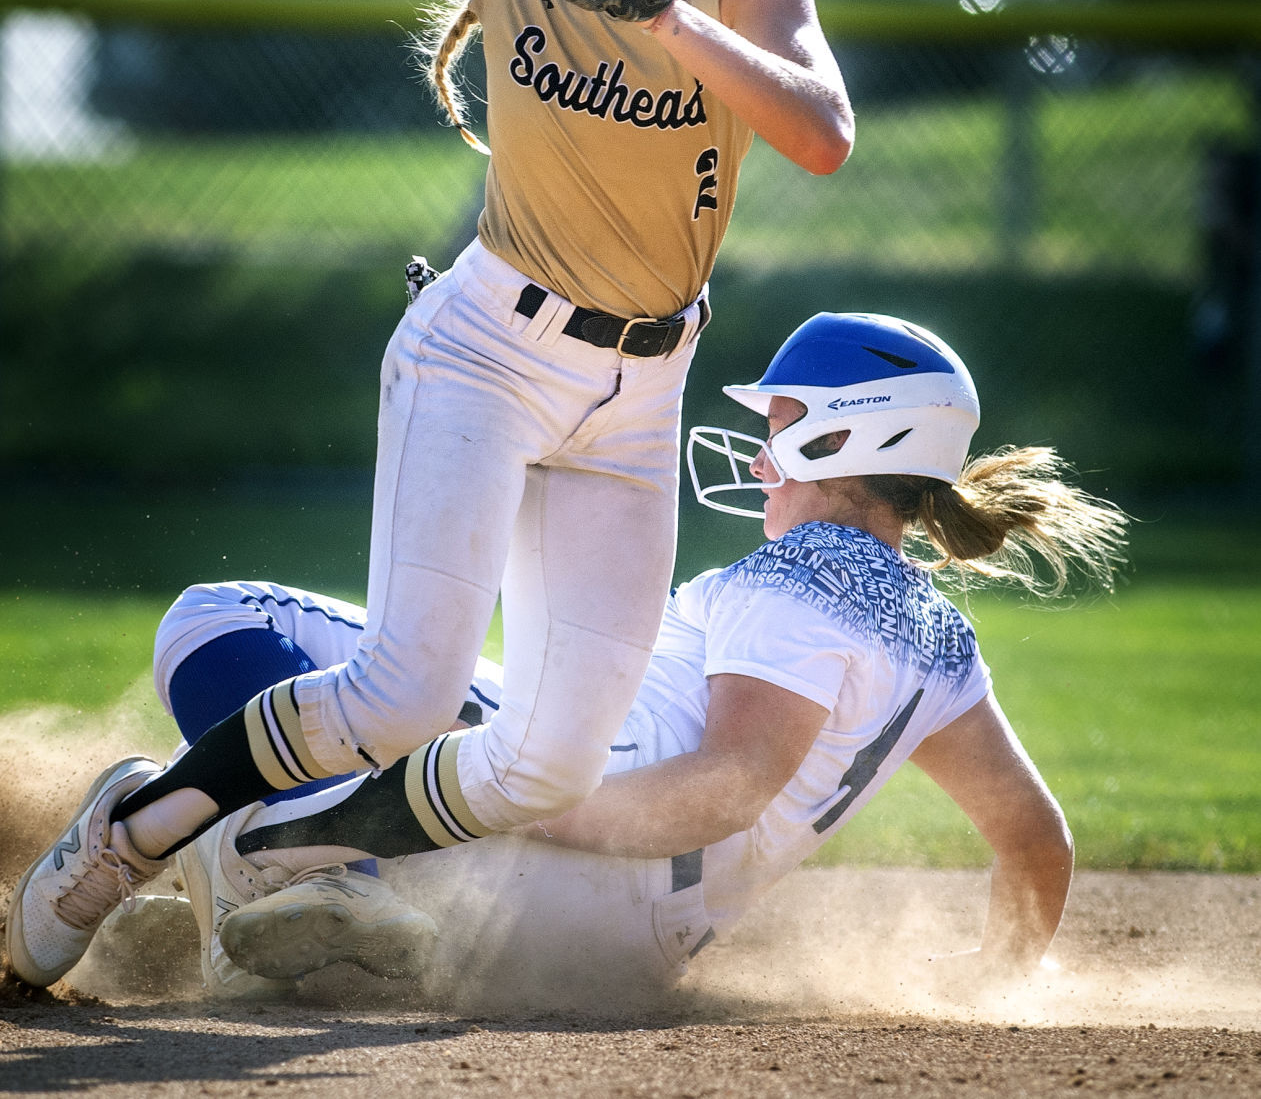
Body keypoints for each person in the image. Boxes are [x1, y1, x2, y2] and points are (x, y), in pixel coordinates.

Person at [2, 0, 854, 992]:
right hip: (486, 354)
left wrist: (662, 11)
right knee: (403, 689)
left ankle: (277, 841)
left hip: (637, 402)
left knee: (549, 758)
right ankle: (136, 829)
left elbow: (822, 132)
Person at [94, 311, 1127, 1001]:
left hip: (552, 857)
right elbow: (1037, 844)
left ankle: (289, 873)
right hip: (608, 960)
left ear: (843, 439)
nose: (762, 453)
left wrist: (502, 792)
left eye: (782, 424)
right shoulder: (941, 636)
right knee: (415, 735)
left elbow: (727, 787)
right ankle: (284, 905)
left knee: (213, 619)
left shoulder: (797, 579)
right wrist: (989, 987)